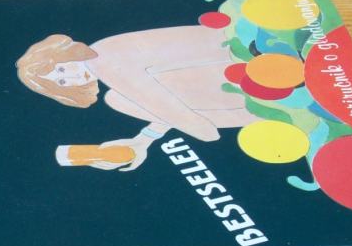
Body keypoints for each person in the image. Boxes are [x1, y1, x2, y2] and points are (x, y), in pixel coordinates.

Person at [16, 25, 257, 170]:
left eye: (60, 69)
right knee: (117, 99)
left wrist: (202, 132)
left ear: (64, 55)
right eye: (60, 81)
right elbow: (166, 101)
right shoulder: (104, 56)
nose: (69, 77)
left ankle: (260, 111)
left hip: (246, 62)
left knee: (118, 100)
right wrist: (143, 140)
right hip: (235, 68)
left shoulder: (104, 61)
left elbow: (202, 129)